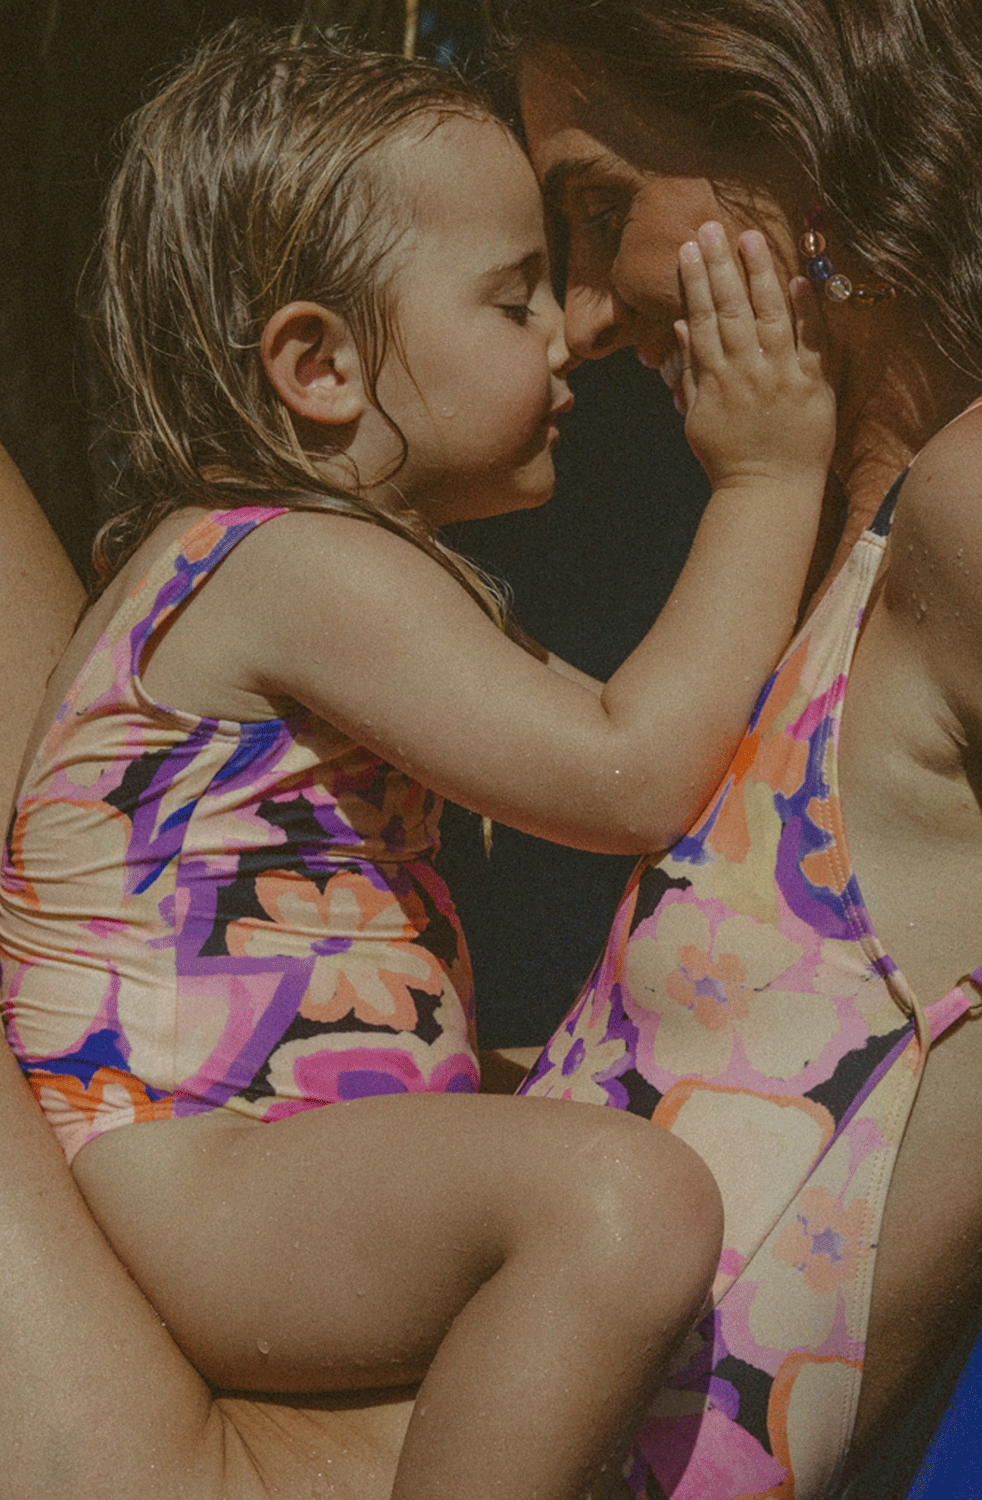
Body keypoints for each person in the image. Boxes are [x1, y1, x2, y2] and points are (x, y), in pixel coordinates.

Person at [0, 25, 831, 1500]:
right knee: (619, 1200)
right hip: (200, 1173)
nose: (569, 334)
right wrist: (769, 479)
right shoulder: (297, 566)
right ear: (319, 365)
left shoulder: (301, 570)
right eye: (513, 297)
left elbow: (650, 740)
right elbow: (630, 776)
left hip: (239, 1164)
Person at [490, 0, 982, 1494]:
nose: (581, 318)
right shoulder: (833, 548)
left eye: (598, 211)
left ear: (796, 137)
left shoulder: (966, 498)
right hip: (503, 1421)